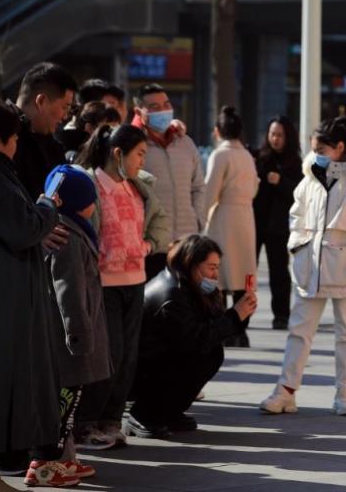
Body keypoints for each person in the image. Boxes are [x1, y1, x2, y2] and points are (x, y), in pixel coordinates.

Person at [260, 117, 346, 416]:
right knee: (299, 329)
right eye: (314, 149)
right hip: (311, 263)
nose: (316, 154)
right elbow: (297, 213)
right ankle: (285, 391)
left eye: (321, 149)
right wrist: (297, 245)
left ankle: (344, 394)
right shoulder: (311, 177)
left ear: (340, 147)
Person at [0, 102, 71, 488]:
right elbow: (22, 229)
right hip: (6, 298)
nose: (16, 147)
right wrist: (45, 206)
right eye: (13, 139)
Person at [72, 125, 156, 448]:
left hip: (135, 281)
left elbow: (159, 220)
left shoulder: (137, 186)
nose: (142, 161)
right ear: (118, 153)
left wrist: (149, 244)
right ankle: (86, 424)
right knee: (108, 355)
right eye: (139, 154)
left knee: (127, 358)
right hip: (104, 284)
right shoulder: (91, 184)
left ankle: (111, 420)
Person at [129, 235, 256, 438]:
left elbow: (212, 330)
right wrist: (235, 315)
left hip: (159, 359)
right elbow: (195, 339)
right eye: (211, 267)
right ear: (192, 264)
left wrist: (241, 314)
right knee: (198, 356)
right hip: (141, 369)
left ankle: (168, 411)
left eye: (217, 267)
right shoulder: (173, 293)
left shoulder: (189, 285)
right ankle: (145, 413)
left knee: (211, 353)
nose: (215, 274)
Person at [42, 164, 110, 483]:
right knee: (64, 404)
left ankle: (65, 459)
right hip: (68, 338)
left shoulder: (70, 228)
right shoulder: (66, 236)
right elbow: (67, 289)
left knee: (69, 404)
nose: (94, 205)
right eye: (90, 199)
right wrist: (79, 337)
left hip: (71, 333)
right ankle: (48, 464)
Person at [133, 83, 206, 280]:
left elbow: (199, 186)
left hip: (186, 243)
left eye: (166, 104)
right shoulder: (134, 147)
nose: (163, 111)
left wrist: (198, 220)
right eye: (155, 107)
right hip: (151, 246)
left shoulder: (185, 143)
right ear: (139, 112)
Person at [203, 107, 260, 348]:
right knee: (242, 276)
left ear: (217, 131)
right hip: (245, 216)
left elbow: (210, 191)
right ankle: (241, 330)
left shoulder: (220, 155)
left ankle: (225, 329)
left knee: (221, 276)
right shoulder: (246, 155)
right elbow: (255, 188)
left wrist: (201, 216)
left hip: (224, 216)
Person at [253, 116, 303, 331]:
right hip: (256, 222)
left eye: (280, 135)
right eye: (272, 134)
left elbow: (299, 194)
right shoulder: (259, 158)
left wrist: (281, 182)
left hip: (279, 226)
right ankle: (243, 313)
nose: (275, 139)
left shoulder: (295, 163)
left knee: (279, 273)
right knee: (248, 270)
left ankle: (281, 315)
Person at [13, 62, 77, 200]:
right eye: (65, 107)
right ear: (41, 101)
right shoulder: (4, 136)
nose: (65, 116)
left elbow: (53, 194)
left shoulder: (55, 149)